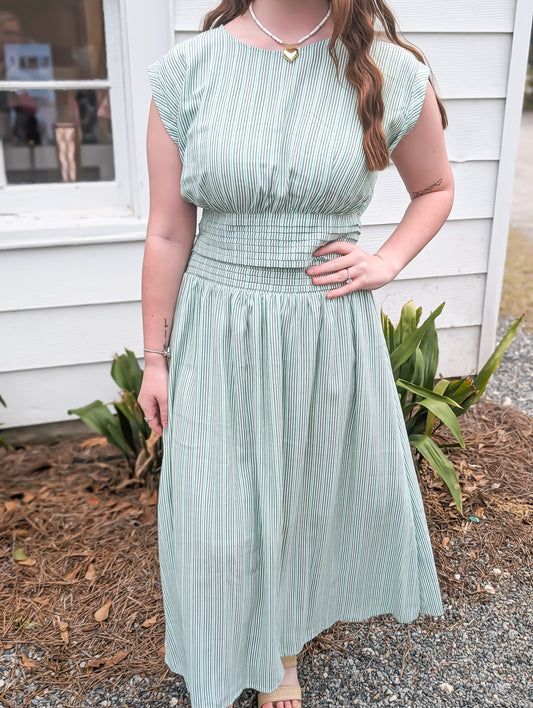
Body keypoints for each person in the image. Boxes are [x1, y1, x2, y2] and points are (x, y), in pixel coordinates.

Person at [139, 1, 454, 707]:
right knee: (214, 510)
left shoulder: (389, 70)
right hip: (217, 321)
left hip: (324, 324)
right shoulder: (188, 72)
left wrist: (387, 261)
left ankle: (282, 651)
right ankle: (221, 644)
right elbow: (165, 231)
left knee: (304, 496)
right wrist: (154, 359)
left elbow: (434, 188)